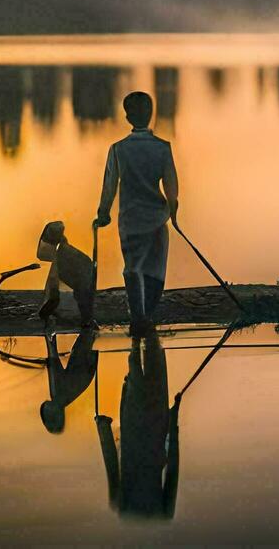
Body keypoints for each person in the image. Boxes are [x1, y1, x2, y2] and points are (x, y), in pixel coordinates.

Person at [95, 91, 179, 334]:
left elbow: (109, 185)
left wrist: (103, 213)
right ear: (150, 115)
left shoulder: (119, 149)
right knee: (155, 269)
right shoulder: (162, 148)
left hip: (130, 220)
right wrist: (173, 213)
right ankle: (148, 315)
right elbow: (171, 188)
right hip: (156, 219)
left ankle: (138, 317)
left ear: (127, 116)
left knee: (133, 267)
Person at [96, 328, 180, 519]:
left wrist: (174, 419)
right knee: (141, 369)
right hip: (145, 434)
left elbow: (173, 468)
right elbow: (172, 469)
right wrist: (102, 428)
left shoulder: (127, 508)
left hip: (149, 432)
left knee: (148, 366)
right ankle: (138, 334)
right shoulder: (128, 509)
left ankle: (138, 332)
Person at [38, 327, 99, 434]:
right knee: (88, 329)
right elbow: (53, 360)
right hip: (83, 358)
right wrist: (49, 334)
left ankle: (90, 329)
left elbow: (54, 362)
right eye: (46, 414)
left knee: (89, 332)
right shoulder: (59, 394)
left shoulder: (62, 398)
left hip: (86, 360)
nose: (44, 409)